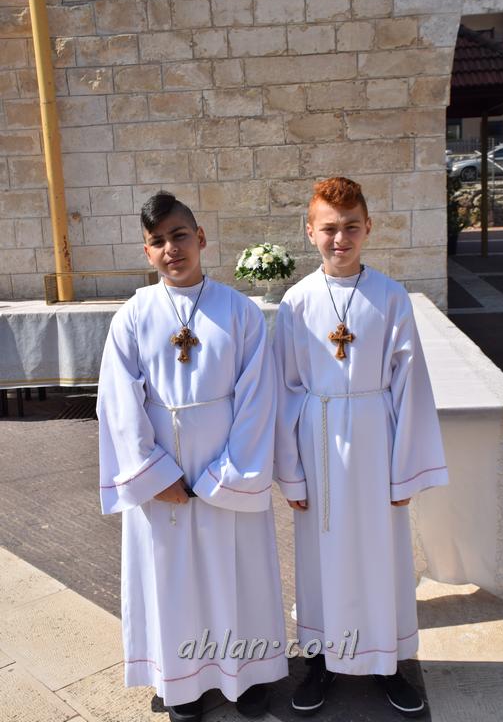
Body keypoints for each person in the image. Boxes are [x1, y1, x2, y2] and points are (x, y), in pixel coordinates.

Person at [97, 191, 288, 722]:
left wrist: (227, 474)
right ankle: (179, 681)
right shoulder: (133, 316)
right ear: (147, 251)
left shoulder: (240, 312)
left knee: (238, 575)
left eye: (179, 235)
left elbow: (259, 397)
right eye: (157, 241)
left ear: (200, 238)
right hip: (163, 477)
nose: (171, 249)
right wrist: (154, 474)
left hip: (226, 469)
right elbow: (118, 401)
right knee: (171, 579)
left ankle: (246, 676)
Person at [273, 177, 448, 718]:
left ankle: (387, 662)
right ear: (310, 232)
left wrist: (405, 472)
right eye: (329, 228)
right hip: (318, 442)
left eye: (351, 227)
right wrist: (291, 471)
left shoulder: (390, 297)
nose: (340, 238)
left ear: (368, 228)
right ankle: (322, 661)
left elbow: (411, 385)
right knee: (320, 558)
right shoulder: (296, 302)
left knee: (381, 555)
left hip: (375, 443)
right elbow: (285, 389)